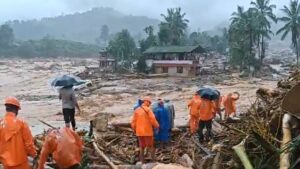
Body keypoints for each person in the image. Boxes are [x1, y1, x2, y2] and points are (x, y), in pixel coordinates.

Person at [0, 96, 37, 169]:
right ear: (16, 109)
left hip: (6, 164)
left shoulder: (0, 124)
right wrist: (34, 155)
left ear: (6, 108)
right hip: (21, 163)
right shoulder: (22, 124)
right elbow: (29, 145)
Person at [131, 97, 159, 163]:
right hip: (147, 132)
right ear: (147, 102)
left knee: (141, 147)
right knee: (150, 146)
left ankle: (142, 161)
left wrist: (135, 130)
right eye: (149, 103)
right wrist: (157, 126)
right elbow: (153, 119)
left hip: (139, 132)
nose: (149, 104)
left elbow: (133, 122)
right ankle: (153, 161)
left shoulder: (137, 110)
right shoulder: (148, 110)